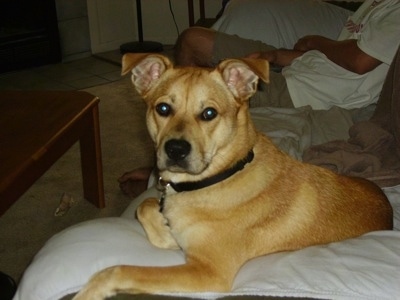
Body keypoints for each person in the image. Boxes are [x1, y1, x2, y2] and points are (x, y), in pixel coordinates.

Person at [119, 0, 400, 196]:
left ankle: (166, 172)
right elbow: (331, 60)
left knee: (224, 122)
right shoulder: (375, 3)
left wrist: (316, 41)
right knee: (194, 39)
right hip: (295, 69)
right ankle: (171, 154)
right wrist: (278, 56)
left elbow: (360, 61)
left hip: (305, 95)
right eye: (164, 109)